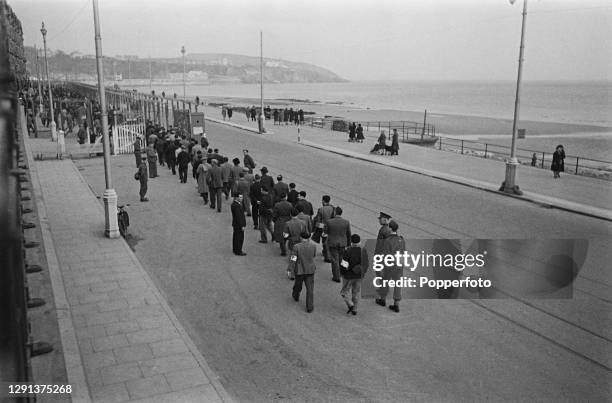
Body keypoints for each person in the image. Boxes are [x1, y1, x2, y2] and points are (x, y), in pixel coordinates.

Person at [375, 220, 406, 312]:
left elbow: (385, 254)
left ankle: (383, 299)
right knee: (398, 284)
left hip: (390, 265)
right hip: (399, 265)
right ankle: (396, 303)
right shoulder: (401, 240)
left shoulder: (388, 240)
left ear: (390, 228)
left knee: (385, 281)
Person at [340, 234, 368, 315]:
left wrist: (343, 273)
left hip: (349, 276)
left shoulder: (348, 251)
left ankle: (350, 304)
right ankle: (355, 309)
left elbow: (344, 265)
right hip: (359, 276)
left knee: (344, 292)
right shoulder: (363, 251)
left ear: (351, 242)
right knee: (355, 292)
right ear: (359, 242)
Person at [290, 232, 317, 313]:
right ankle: (309, 307)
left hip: (300, 270)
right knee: (310, 289)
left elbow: (293, 259)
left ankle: (296, 295)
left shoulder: (296, 247)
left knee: (298, 285)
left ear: (301, 238)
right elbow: (314, 256)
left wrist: (291, 269)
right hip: (310, 270)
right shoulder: (313, 246)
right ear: (309, 238)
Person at [325, 207, 352, 283]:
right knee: (341, 259)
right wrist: (349, 244)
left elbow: (326, 231)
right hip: (343, 243)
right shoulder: (346, 222)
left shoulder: (329, 222)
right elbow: (349, 234)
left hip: (332, 243)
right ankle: (342, 273)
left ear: (334, 212)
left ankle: (336, 276)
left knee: (334, 260)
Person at [284, 209, 307, 279]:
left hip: (293, 243)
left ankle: (292, 273)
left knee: (293, 258)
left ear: (291, 214)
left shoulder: (288, 223)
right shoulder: (303, 223)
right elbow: (306, 233)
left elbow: (285, 235)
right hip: (301, 242)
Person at [313, 195, 335, 262]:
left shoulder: (321, 209)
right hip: (333, 227)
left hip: (324, 228)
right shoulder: (333, 208)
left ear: (323, 201)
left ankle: (327, 256)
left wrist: (316, 228)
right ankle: (327, 252)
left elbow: (318, 221)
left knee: (324, 242)